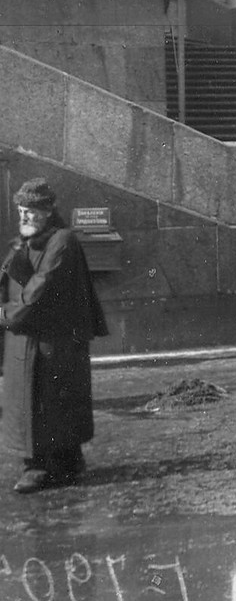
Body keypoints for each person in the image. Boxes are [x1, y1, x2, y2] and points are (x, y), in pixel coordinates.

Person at [0, 178, 109, 493]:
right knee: (42, 401)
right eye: (22, 211)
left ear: (48, 211)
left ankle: (41, 467)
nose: (25, 218)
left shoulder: (62, 241)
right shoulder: (24, 241)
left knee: (50, 401)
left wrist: (4, 314)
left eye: (32, 212)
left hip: (52, 339)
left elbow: (40, 291)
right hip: (27, 338)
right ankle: (64, 461)